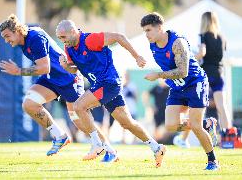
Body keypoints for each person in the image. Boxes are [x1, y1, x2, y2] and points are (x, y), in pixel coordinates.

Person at [0, 14, 116, 162]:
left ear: (17, 31)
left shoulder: (34, 37)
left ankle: (110, 150)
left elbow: (45, 67)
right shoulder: (23, 42)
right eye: (4, 37)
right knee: (29, 104)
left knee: (79, 120)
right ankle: (60, 136)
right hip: (52, 79)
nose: (6, 40)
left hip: (67, 77)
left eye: (7, 36)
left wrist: (19, 71)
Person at [56, 20, 166, 167]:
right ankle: (157, 148)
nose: (61, 40)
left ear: (73, 32)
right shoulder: (69, 48)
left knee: (78, 107)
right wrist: (66, 66)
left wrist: (137, 56)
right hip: (102, 85)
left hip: (108, 82)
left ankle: (98, 145)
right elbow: (75, 69)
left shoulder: (90, 39)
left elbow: (119, 37)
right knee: (127, 123)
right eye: (59, 38)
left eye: (63, 37)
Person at [140, 12, 219, 170]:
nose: (146, 34)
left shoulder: (177, 42)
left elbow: (183, 71)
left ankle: (213, 161)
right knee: (170, 125)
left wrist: (158, 75)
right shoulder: (153, 44)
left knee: (196, 126)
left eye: (148, 30)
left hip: (195, 83)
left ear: (160, 27)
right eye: (144, 31)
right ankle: (207, 123)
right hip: (177, 86)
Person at [196, 11, 232, 129]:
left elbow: (202, 53)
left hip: (206, 73)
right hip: (219, 73)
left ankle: (198, 131)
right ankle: (229, 133)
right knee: (222, 106)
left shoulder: (203, 36)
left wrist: (191, 59)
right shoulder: (222, 37)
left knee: (199, 105)